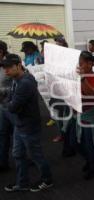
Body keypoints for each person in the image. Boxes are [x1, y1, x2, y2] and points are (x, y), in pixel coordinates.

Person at [1, 54, 52, 192]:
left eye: (9, 67)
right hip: (20, 124)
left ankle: (47, 180)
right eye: (5, 68)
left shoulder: (25, 82)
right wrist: (8, 100)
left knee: (36, 155)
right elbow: (11, 100)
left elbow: (12, 106)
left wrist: (4, 100)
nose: (6, 71)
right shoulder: (16, 79)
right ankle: (22, 182)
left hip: (28, 125)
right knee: (18, 154)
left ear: (18, 65)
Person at [76, 51, 94, 180]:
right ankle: (89, 160)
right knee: (77, 143)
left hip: (91, 114)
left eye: (81, 63)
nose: (79, 66)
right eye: (78, 63)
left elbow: (92, 94)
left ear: (90, 63)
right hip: (78, 113)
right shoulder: (77, 74)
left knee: (90, 144)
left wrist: (82, 79)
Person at [0, 40, 13, 172]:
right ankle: (3, 162)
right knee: (2, 134)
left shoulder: (10, 66)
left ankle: (26, 159)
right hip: (2, 107)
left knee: (18, 135)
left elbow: (21, 85)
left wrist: (3, 92)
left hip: (12, 106)